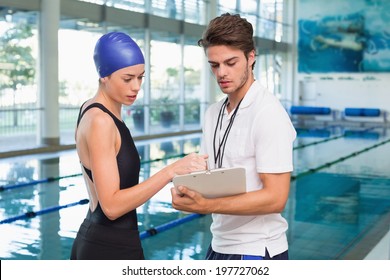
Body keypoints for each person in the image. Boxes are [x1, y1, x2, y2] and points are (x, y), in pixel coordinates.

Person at [70, 31, 207, 260]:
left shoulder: (93, 109)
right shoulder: (101, 122)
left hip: (105, 239)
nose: (136, 86)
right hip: (108, 248)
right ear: (104, 75)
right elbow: (112, 207)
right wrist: (170, 171)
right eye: (127, 78)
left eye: (140, 77)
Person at [171, 13, 296, 260]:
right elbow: (210, 175)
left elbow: (276, 198)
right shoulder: (213, 113)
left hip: (257, 249)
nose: (221, 73)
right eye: (214, 65)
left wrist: (206, 206)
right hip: (220, 243)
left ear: (251, 57)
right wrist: (186, 187)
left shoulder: (267, 113)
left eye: (231, 63)